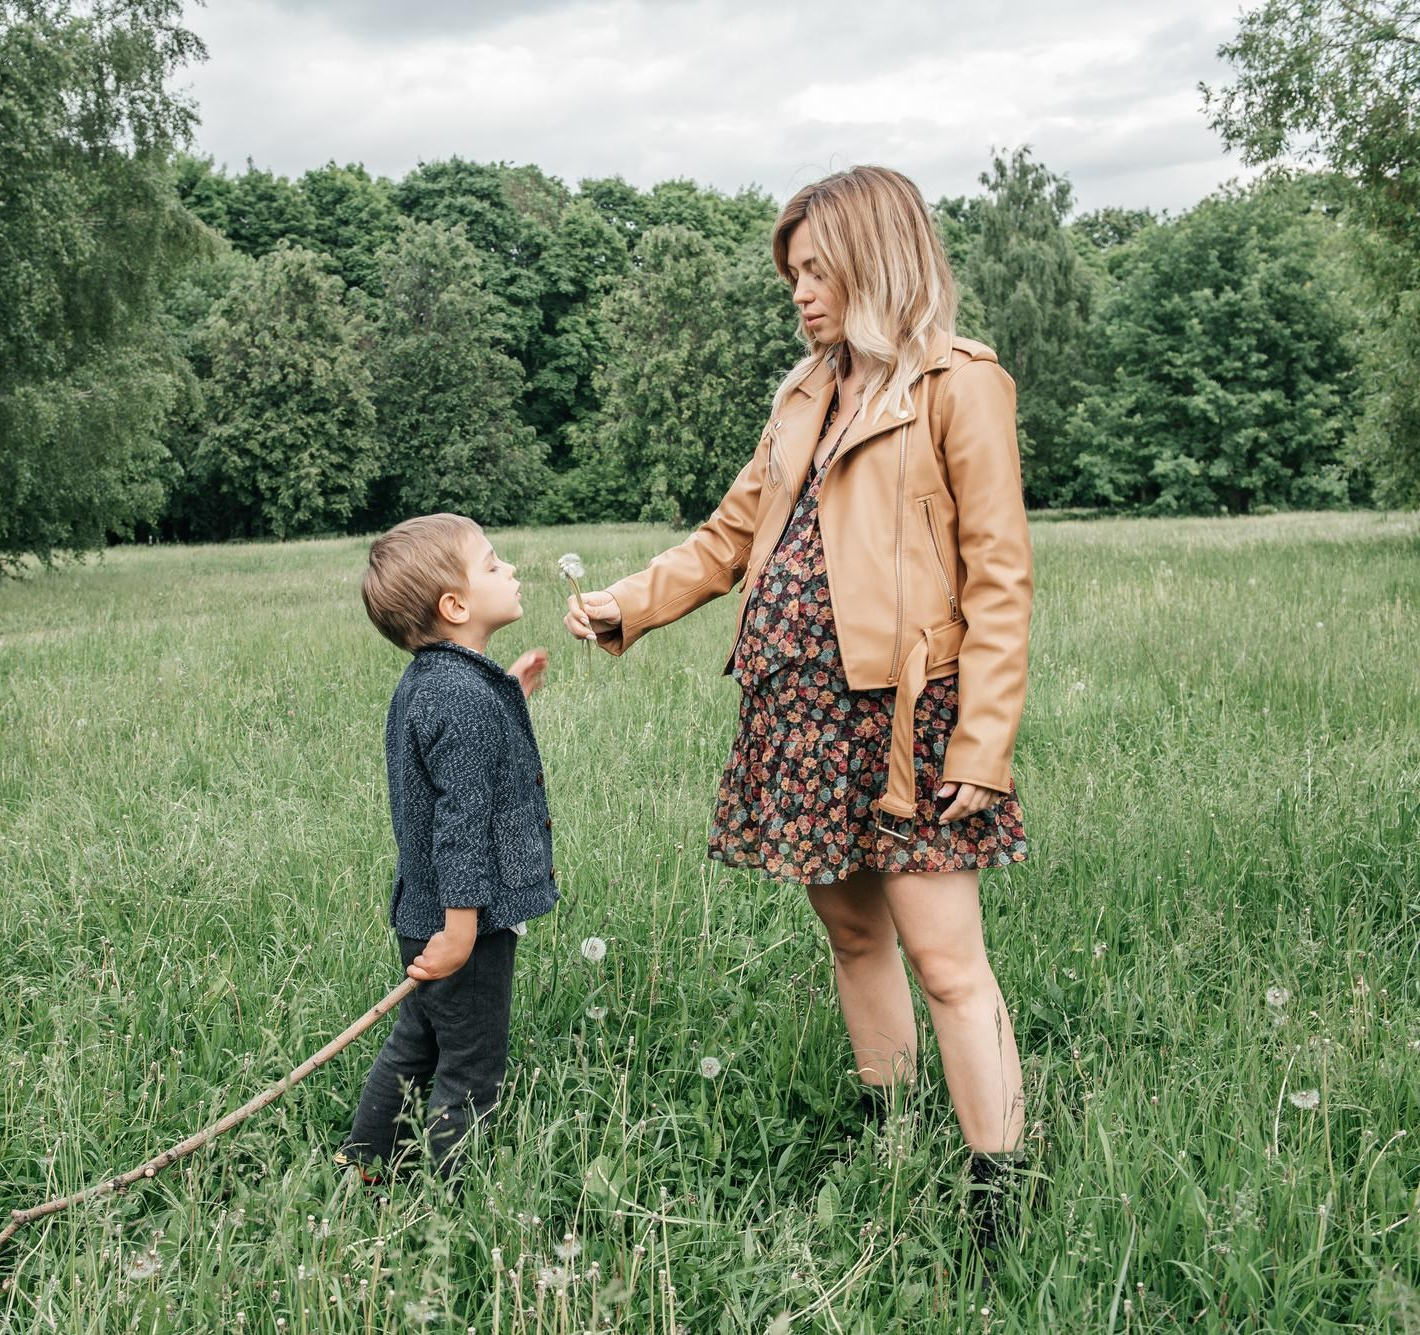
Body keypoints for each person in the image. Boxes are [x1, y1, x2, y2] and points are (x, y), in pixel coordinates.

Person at [563, 165, 1034, 1249]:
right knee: (850, 933)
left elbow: (999, 577)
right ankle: (891, 1130)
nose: (798, 293)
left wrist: (983, 738)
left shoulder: (959, 384)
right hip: (796, 713)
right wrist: (625, 605)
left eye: (815, 270)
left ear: (874, 260)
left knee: (944, 957)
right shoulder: (803, 392)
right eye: (791, 275)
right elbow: (730, 537)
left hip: (908, 718)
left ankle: (997, 1192)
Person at [338, 513, 555, 1183]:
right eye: (493, 564)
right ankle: (452, 1200)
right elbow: (459, 825)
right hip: (464, 922)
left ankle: (365, 1166)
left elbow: (454, 764)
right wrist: (462, 930)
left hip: (421, 914)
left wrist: (508, 692)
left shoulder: (439, 683)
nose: (511, 569)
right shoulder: (461, 697)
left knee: (420, 1042)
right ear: (454, 605)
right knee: (471, 1067)